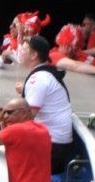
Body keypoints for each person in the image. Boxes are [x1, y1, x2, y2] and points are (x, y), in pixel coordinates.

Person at [14, 36, 80, 173]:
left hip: (52, 144)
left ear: (34, 55)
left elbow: (27, 116)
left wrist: (0, 119)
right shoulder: (43, 74)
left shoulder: (39, 78)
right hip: (55, 142)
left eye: (24, 49)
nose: (20, 51)